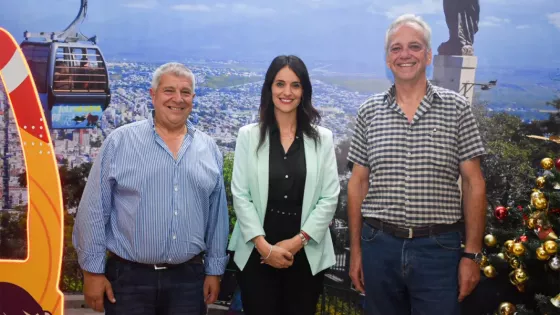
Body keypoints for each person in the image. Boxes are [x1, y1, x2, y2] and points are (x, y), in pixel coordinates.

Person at [347, 14, 487, 315]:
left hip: (439, 249)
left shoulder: (457, 109)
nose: (404, 54)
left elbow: (475, 183)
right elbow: (357, 183)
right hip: (378, 246)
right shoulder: (368, 112)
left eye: (414, 46)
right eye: (396, 48)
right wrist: (356, 250)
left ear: (427, 56)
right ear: (387, 59)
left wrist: (472, 255)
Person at [72, 62, 229, 315]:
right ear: (152, 95)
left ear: (193, 98)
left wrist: (214, 270)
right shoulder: (120, 142)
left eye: (185, 92)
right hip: (129, 279)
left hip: (188, 280)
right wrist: (92, 272)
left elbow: (217, 218)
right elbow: (94, 209)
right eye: (169, 90)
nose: (177, 99)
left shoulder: (209, 149)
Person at [227, 55, 340, 315]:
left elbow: (329, 197)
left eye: (295, 85)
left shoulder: (323, 139)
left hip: (306, 252)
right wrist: (264, 247)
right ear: (269, 88)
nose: (287, 92)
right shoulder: (249, 135)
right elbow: (240, 195)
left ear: (304, 91)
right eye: (280, 84)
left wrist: (296, 242)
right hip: (257, 251)